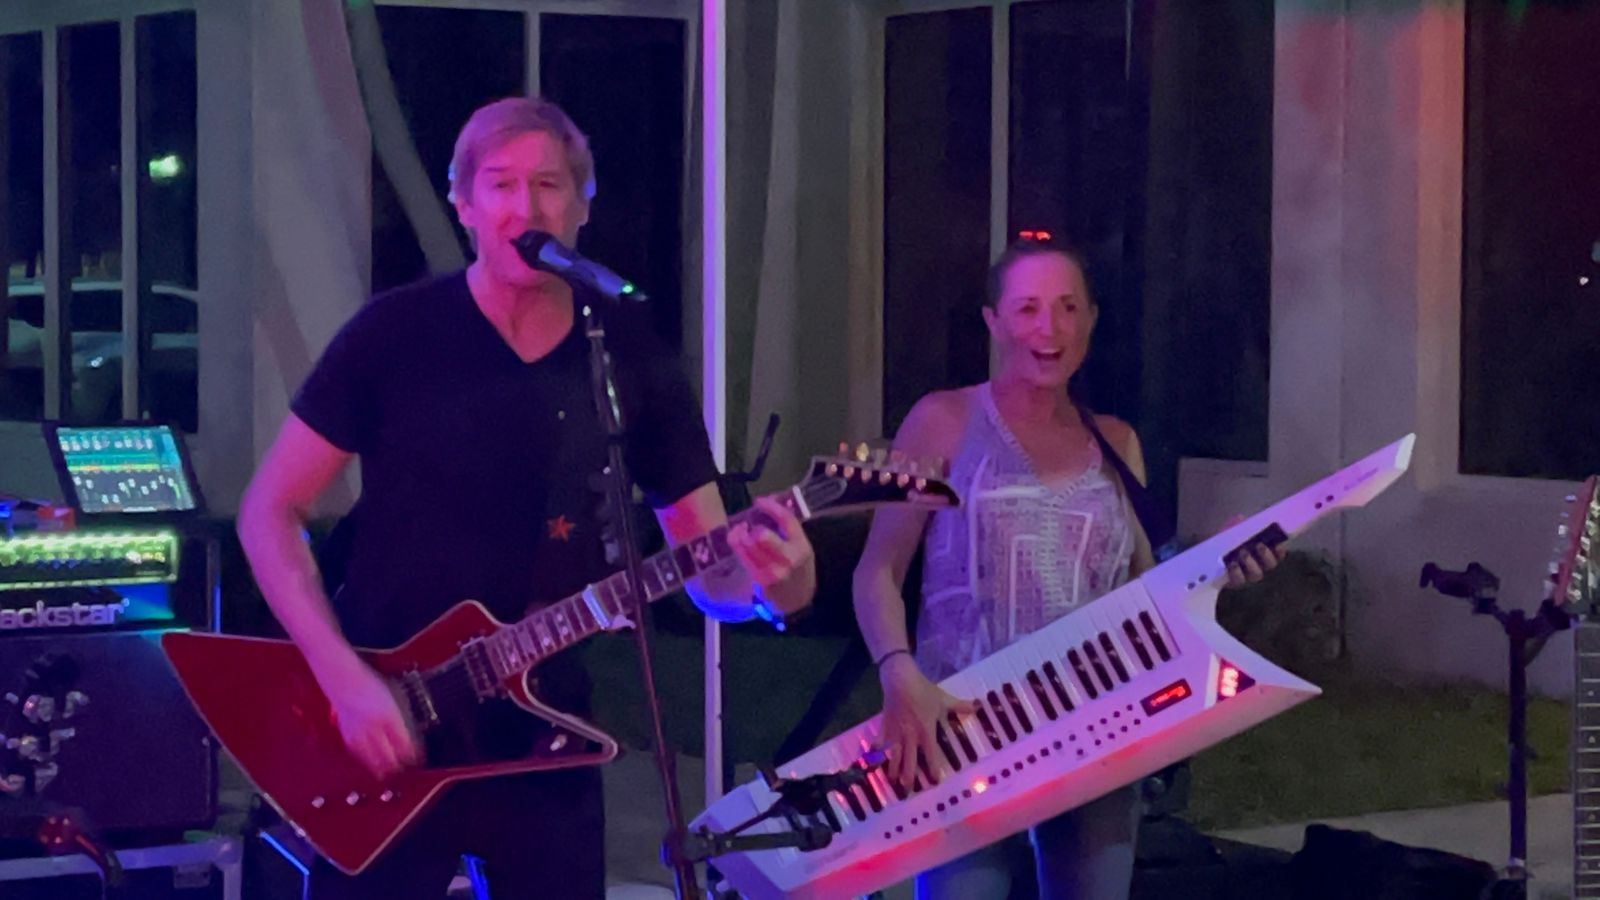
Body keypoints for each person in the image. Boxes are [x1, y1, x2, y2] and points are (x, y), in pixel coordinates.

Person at [237, 96, 817, 899]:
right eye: (502, 184)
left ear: (582, 205)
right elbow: (268, 513)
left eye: (548, 185)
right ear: (465, 204)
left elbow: (707, 565)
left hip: (546, 726)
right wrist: (344, 680)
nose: (527, 207)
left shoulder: (625, 351)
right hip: (388, 716)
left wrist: (779, 583)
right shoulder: (392, 336)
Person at [852, 238, 1281, 899]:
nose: (1048, 328)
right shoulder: (944, 421)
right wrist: (898, 671)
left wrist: (1214, 563)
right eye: (1027, 308)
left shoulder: (1116, 442)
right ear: (994, 321)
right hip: (963, 734)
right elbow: (877, 571)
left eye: (1067, 307)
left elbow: (1145, 593)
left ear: (1091, 320)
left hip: (1093, 725)